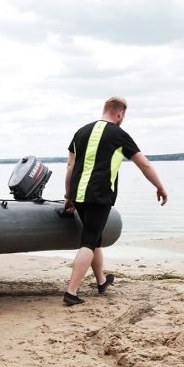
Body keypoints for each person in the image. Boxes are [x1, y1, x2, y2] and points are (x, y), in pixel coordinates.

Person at [62, 96, 168, 306]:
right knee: (89, 242)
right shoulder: (119, 135)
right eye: (123, 115)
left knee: (95, 238)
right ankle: (71, 292)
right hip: (100, 195)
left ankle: (102, 281)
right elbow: (144, 165)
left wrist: (69, 196)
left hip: (80, 195)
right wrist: (160, 187)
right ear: (120, 113)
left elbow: (70, 167)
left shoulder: (81, 132)